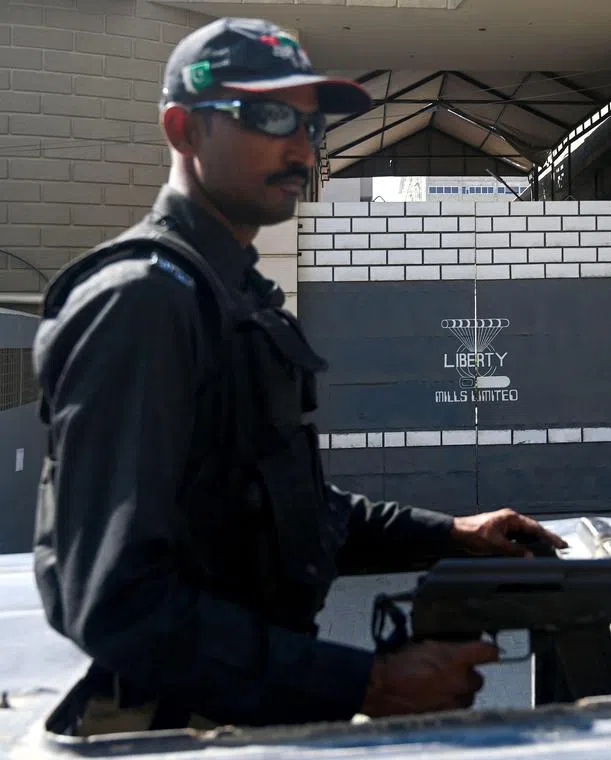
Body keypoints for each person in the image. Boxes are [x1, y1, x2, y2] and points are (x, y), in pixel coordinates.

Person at [31, 16, 566, 735]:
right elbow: (119, 602)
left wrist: (452, 534)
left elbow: (282, 512)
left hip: (244, 712)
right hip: (167, 729)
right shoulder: (143, 303)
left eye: (311, 126)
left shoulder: (232, 297)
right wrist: (366, 682)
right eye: (270, 114)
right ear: (184, 128)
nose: (301, 146)